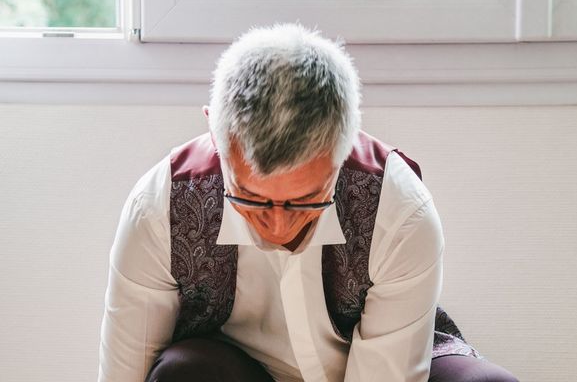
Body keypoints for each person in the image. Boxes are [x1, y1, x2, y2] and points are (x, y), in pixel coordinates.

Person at [98, 23, 518, 382]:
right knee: (183, 372)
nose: (278, 229)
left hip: (383, 363)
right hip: (235, 369)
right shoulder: (160, 208)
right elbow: (126, 373)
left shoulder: (401, 210)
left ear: (344, 146)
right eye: (252, 199)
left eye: (305, 202)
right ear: (215, 134)